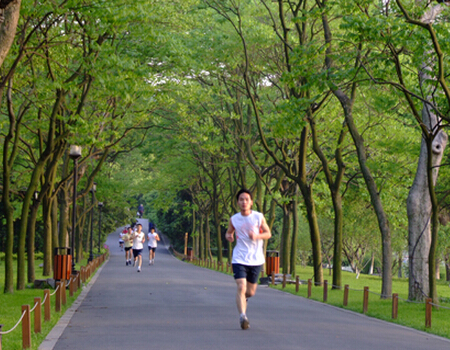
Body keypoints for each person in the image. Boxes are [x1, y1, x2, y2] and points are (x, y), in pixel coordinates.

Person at [225, 189, 271, 330]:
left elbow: (268, 233)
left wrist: (257, 236)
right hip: (239, 257)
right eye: (241, 199)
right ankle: (243, 316)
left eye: (246, 199)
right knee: (241, 286)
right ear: (237, 202)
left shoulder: (258, 217)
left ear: (251, 202)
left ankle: (243, 300)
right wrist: (229, 236)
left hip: (256, 259)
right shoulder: (234, 219)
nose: (244, 202)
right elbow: (229, 232)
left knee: (250, 292)